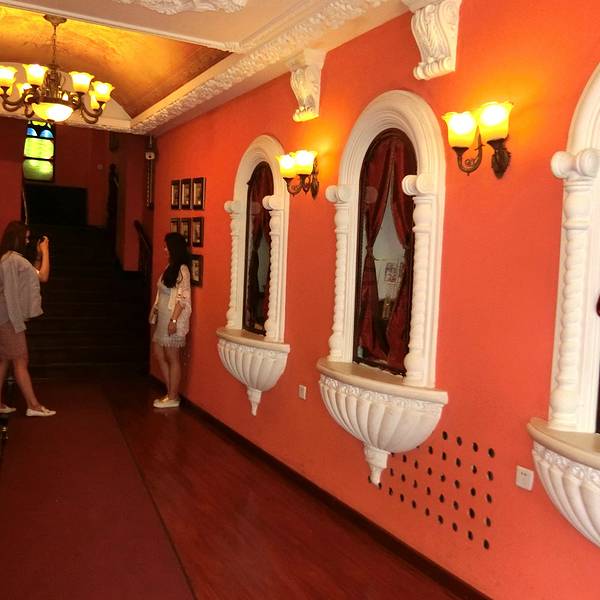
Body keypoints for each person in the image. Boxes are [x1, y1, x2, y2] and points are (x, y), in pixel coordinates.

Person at [0, 221, 55, 417]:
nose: (27, 241)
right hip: (8, 319)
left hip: (6, 318)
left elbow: (34, 275)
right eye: (26, 237)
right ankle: (33, 405)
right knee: (21, 359)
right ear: (17, 237)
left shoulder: (12, 259)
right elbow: (43, 276)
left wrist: (38, 256)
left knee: (5, 360)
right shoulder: (11, 260)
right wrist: (46, 251)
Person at [149, 232, 192, 408]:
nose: (164, 249)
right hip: (162, 318)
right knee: (159, 353)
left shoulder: (182, 270)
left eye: (166, 246)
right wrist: (155, 312)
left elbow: (183, 299)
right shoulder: (170, 267)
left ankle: (173, 396)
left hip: (172, 319)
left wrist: (173, 321)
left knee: (172, 357)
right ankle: (170, 392)